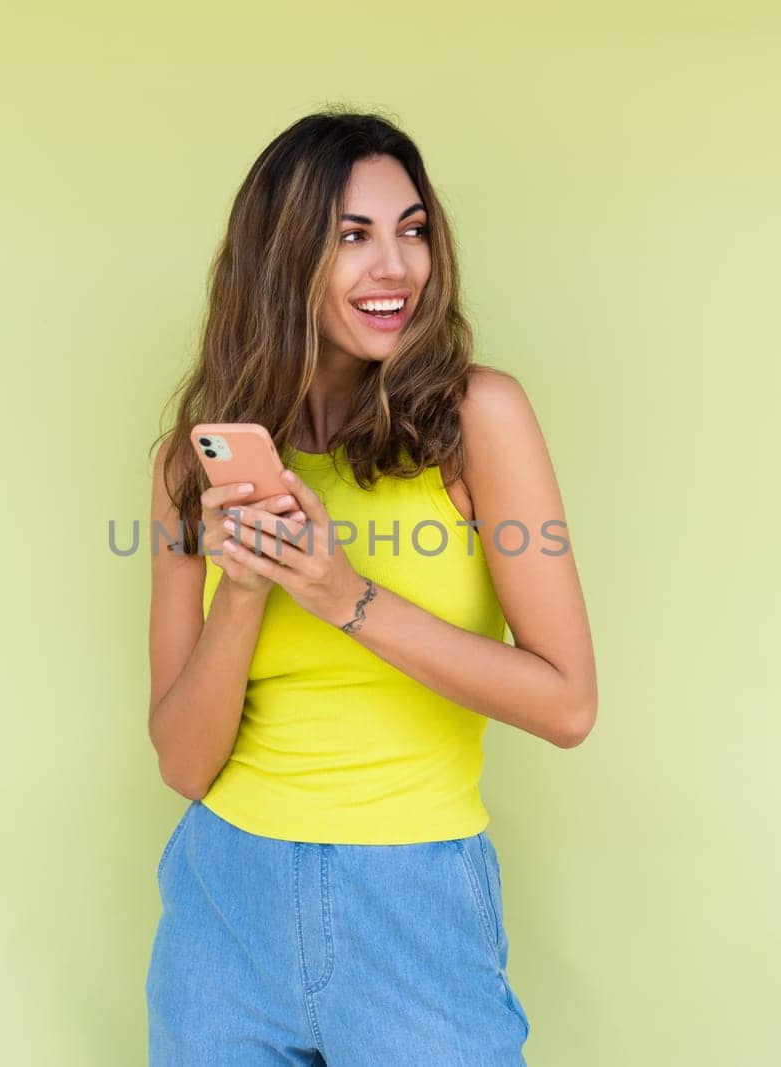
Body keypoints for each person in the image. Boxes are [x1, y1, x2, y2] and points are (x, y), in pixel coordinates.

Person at [144, 109, 597, 1065]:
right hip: (224, 910)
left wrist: (344, 594)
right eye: (352, 237)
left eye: (413, 228)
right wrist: (245, 589)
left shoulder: (478, 419)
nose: (395, 267)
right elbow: (184, 765)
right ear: (279, 259)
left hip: (414, 907)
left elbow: (567, 703)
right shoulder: (200, 465)